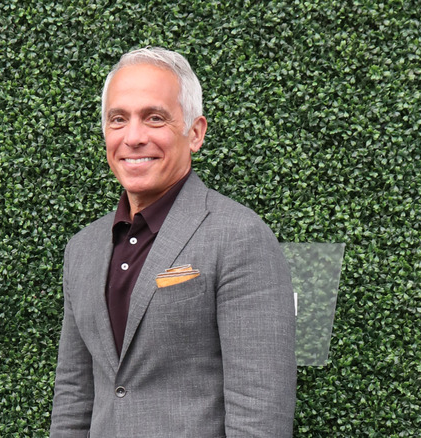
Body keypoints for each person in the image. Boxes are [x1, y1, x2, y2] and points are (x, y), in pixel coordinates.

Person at [50, 47, 296, 437]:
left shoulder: (239, 236)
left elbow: (259, 412)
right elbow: (73, 397)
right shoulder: (82, 249)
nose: (133, 137)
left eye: (154, 118)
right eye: (118, 119)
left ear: (195, 133)